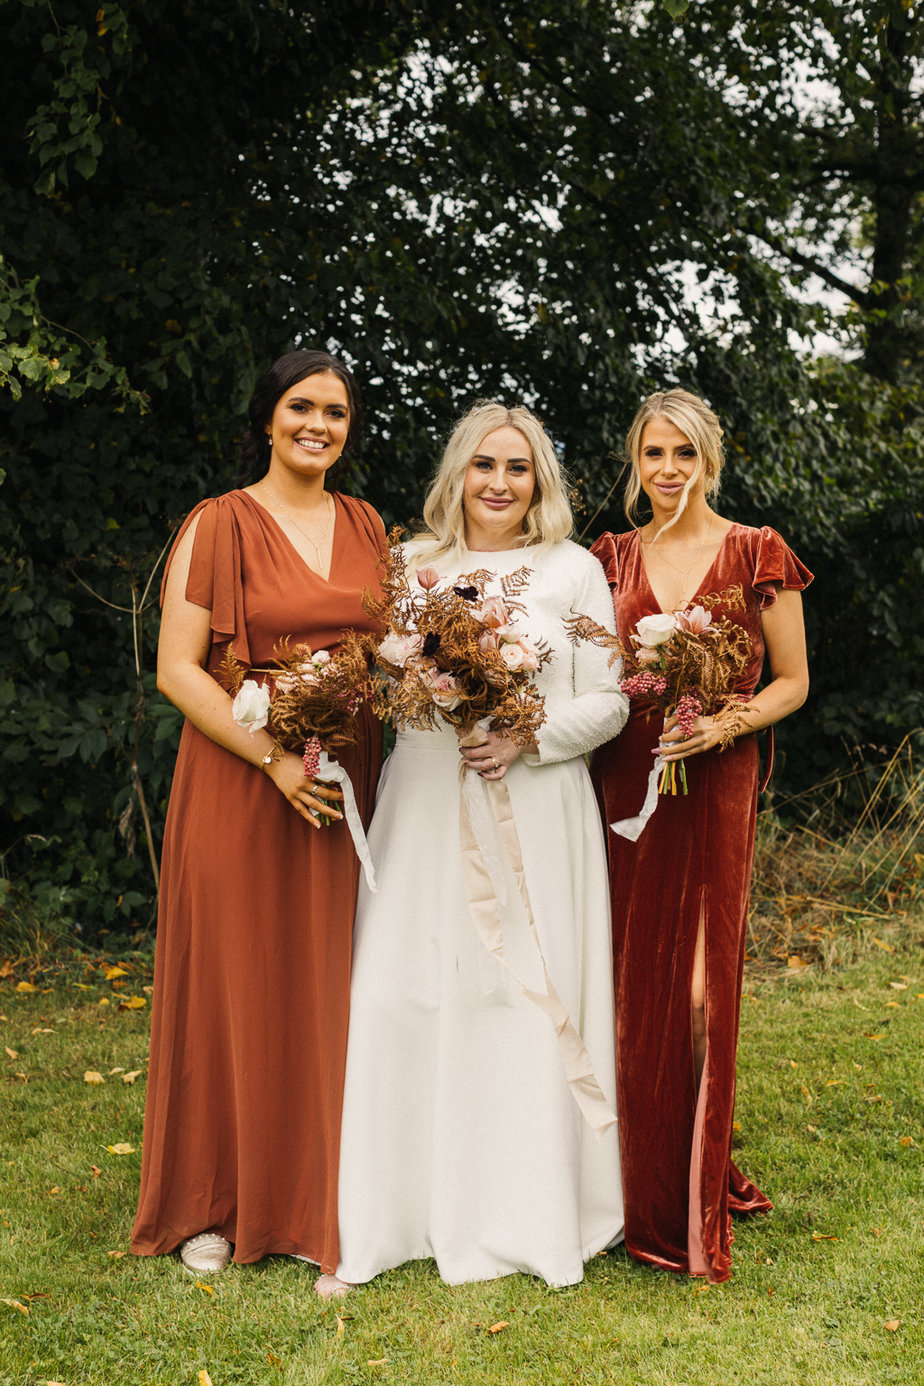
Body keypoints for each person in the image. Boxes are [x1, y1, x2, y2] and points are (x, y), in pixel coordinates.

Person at [321, 402, 627, 1297]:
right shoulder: (410, 565)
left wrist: (529, 738)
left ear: (541, 482)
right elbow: (383, 671)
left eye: (519, 468)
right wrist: (420, 685)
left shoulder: (573, 570)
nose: (499, 483)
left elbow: (608, 700)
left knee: (518, 1000)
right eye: (484, 465)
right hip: (422, 801)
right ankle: (392, 1212)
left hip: (533, 805)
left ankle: (524, 1211)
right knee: (400, 991)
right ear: (458, 473)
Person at [131, 349, 386, 1276]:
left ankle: (325, 1201)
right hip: (244, 779)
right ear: (268, 418)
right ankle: (215, 1203)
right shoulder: (218, 523)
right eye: (301, 407)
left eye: (336, 413)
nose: (318, 425)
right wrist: (275, 759)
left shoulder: (367, 524)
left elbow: (393, 649)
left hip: (343, 787)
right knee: (234, 985)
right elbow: (176, 669)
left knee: (328, 987)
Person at [590, 388, 811, 1283]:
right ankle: (621, 1185)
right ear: (634, 464)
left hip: (715, 783)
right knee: (627, 977)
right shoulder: (607, 559)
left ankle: (689, 1187)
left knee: (696, 989)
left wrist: (725, 724)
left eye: (685, 452)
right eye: (653, 454)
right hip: (621, 786)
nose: (669, 470)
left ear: (710, 459)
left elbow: (792, 681)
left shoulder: (757, 553)